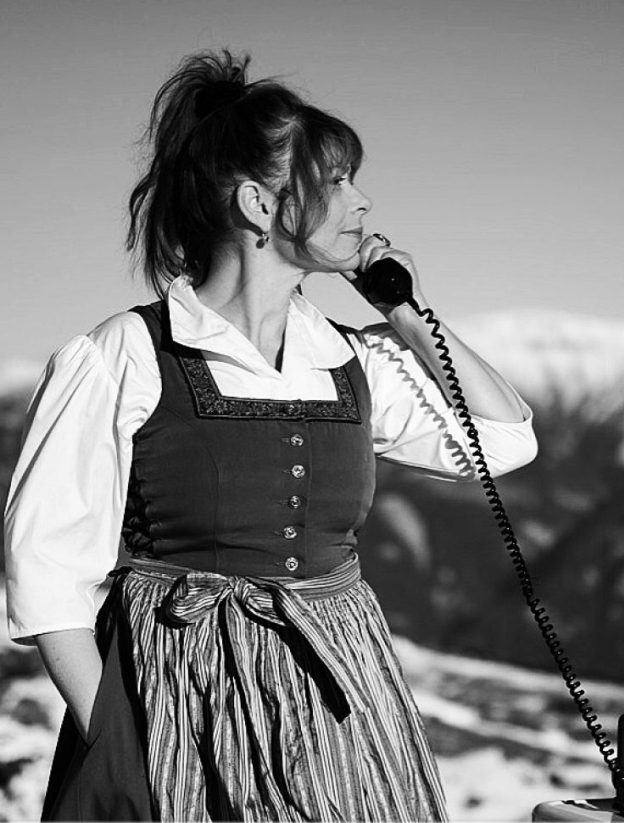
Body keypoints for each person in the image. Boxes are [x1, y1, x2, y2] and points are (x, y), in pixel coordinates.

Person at [3, 49, 537, 822]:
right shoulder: (126, 354)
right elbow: (47, 573)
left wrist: (405, 312)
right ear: (258, 203)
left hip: (343, 697)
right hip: (181, 692)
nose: (363, 201)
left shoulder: (349, 358)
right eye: (336, 181)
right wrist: (118, 741)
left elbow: (504, 439)